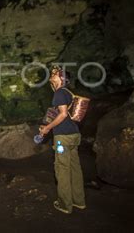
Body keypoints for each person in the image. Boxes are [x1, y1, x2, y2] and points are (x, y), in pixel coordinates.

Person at [39, 66, 86, 214]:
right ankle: (79, 201)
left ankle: (65, 204)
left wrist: (47, 129)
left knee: (62, 169)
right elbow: (61, 114)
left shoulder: (59, 92)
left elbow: (64, 114)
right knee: (75, 168)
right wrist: (48, 124)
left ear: (61, 78)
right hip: (74, 136)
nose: (51, 75)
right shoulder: (67, 93)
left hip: (63, 139)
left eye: (54, 74)